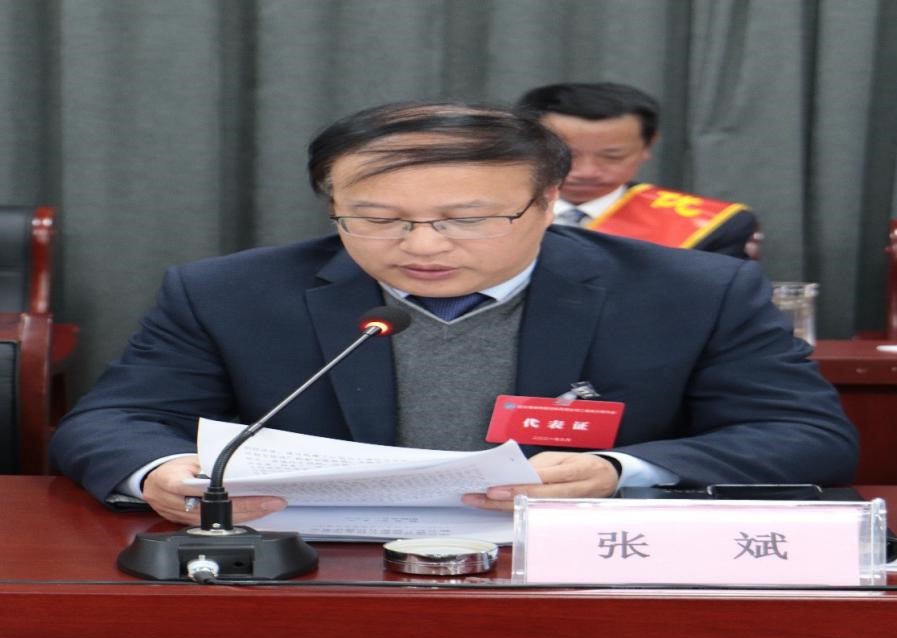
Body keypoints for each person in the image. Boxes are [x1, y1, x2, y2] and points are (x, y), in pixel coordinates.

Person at [49, 100, 856, 526]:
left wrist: (622, 472)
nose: (421, 245)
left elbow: (805, 436)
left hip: (574, 574)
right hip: (313, 571)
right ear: (332, 204)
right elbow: (112, 422)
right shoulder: (228, 291)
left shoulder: (692, 290)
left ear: (547, 202)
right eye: (377, 217)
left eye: (467, 219)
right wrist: (160, 473)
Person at [516, 82, 761, 258]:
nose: (587, 171)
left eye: (613, 156)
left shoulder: (712, 226)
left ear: (648, 145)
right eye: (567, 156)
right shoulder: (496, 210)